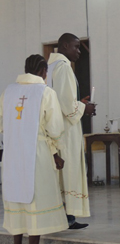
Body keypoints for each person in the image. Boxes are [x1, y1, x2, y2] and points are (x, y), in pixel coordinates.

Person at [1, 54, 69, 244]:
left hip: (12, 153)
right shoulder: (45, 92)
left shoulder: (9, 91)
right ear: (43, 72)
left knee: (16, 198)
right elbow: (55, 128)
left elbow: (2, 123)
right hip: (36, 153)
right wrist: (57, 152)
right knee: (35, 201)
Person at [47, 33, 94, 229]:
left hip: (54, 126)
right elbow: (67, 105)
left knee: (60, 175)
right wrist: (85, 108)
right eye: (76, 47)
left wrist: (79, 104)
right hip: (66, 129)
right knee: (69, 170)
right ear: (65, 46)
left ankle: (61, 216)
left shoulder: (50, 67)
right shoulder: (64, 67)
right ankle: (68, 217)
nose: (78, 52)